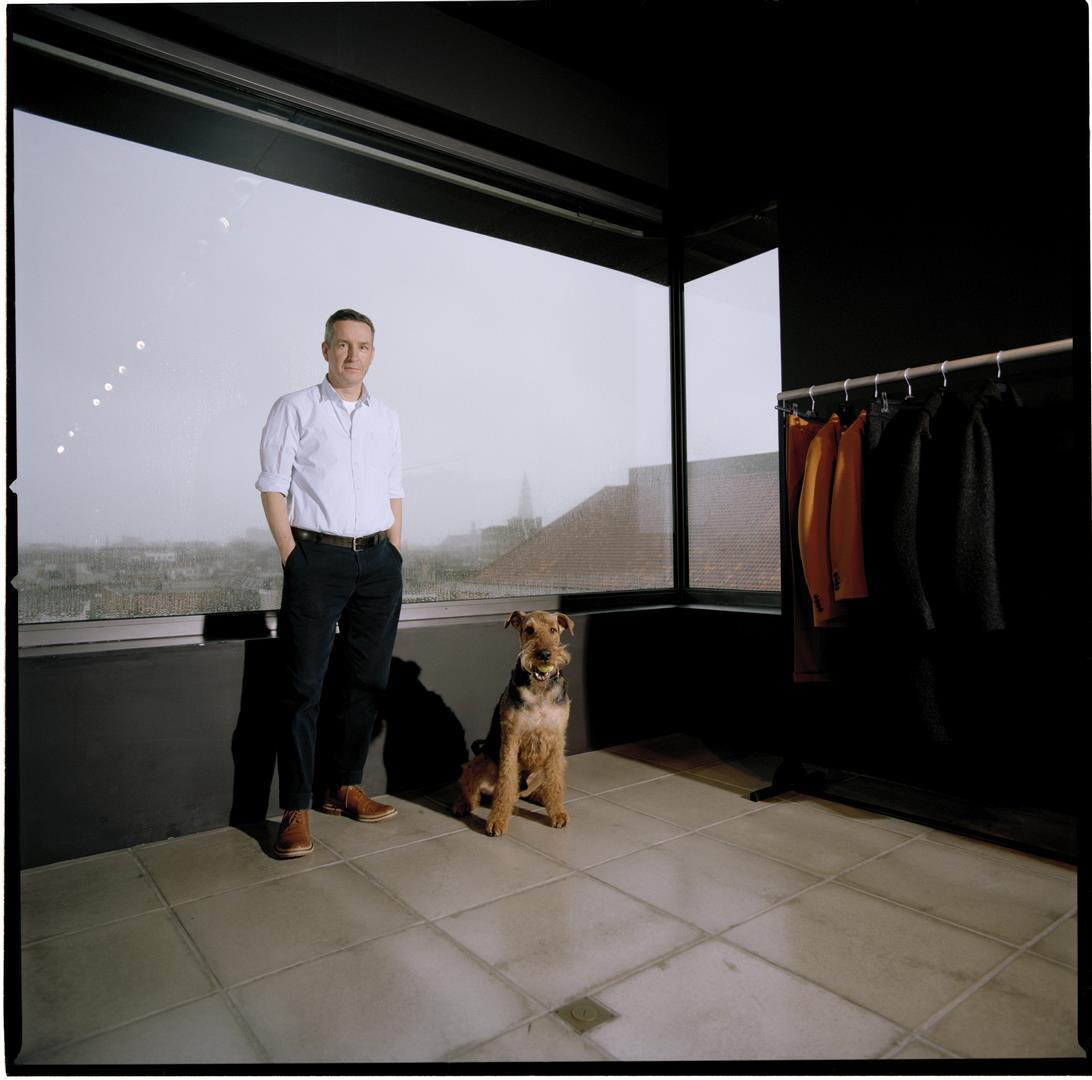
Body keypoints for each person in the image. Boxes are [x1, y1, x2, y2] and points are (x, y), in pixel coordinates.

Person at [256, 308, 405, 858]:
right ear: (325, 350)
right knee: (302, 687)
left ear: (372, 353)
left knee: (365, 681)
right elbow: (273, 486)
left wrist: (394, 553)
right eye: (342, 345)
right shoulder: (293, 408)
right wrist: (293, 557)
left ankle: (341, 787)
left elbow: (394, 489)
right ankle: (295, 807)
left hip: (377, 562)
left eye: (362, 346)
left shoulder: (386, 416)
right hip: (316, 557)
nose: (352, 355)